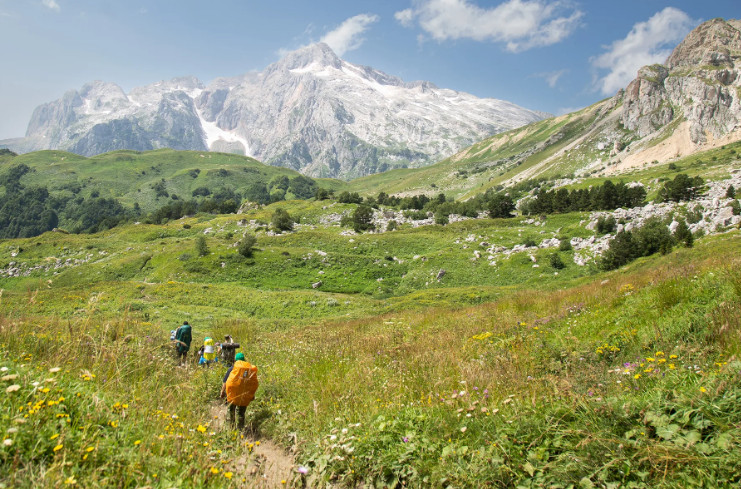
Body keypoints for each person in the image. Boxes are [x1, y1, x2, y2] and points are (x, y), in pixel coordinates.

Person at [220, 352, 258, 430]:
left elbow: (225, 382)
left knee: (232, 411)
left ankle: (232, 428)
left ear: (235, 360)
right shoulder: (250, 369)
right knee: (241, 413)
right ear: (244, 359)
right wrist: (252, 395)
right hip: (244, 395)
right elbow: (252, 383)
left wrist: (222, 392)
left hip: (232, 394)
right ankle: (241, 429)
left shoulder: (232, 368)